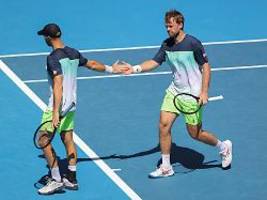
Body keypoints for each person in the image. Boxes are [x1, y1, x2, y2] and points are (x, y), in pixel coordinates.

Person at [118, 10, 232, 178]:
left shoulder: (193, 44)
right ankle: (166, 167)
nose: (168, 29)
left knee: (195, 134)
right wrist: (135, 68)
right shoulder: (166, 45)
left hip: (192, 95)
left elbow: (206, 67)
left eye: (170, 26)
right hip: (174, 92)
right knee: (163, 125)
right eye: (166, 26)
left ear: (180, 24)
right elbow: (154, 61)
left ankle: (223, 147)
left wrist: (204, 92)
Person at [37, 23, 127, 194]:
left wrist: (55, 112)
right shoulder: (72, 52)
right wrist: (111, 69)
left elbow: (58, 83)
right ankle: (71, 179)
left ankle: (56, 180)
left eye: (44, 36)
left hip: (57, 107)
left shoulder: (52, 58)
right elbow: (92, 64)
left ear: (48, 37)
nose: (44, 39)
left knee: (43, 139)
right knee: (67, 139)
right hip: (71, 106)